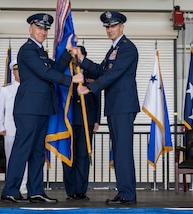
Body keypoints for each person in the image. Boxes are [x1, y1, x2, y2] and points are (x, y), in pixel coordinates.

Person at [0, 13, 83, 203]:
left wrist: (68, 52)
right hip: (28, 109)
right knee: (22, 149)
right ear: (30, 29)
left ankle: (35, 191)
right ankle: (10, 190)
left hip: (42, 108)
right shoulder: (27, 50)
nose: (43, 32)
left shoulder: (40, 52)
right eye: (39, 28)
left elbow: (54, 68)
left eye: (45, 29)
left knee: (38, 151)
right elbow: (45, 73)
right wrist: (72, 80)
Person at [77, 11, 140, 205]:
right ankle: (125, 192)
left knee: (122, 150)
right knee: (120, 150)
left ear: (122, 27)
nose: (110, 29)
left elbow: (113, 75)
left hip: (123, 105)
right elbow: (102, 71)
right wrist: (81, 59)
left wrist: (90, 88)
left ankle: (127, 194)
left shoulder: (127, 48)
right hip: (115, 106)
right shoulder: (114, 49)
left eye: (113, 26)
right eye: (107, 27)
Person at [63, 46, 101, 201]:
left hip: (87, 120)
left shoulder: (92, 73)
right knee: (69, 155)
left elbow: (97, 97)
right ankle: (70, 190)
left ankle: (81, 190)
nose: (77, 58)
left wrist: (97, 119)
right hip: (70, 120)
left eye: (80, 56)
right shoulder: (66, 74)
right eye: (74, 55)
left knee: (83, 156)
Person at [0, 60, 28, 195]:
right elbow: (0, 109)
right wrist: (1, 126)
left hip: (26, 129)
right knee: (11, 158)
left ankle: (23, 185)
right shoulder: (6, 89)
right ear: (13, 72)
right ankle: (12, 185)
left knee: (25, 158)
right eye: (16, 70)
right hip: (10, 129)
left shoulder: (29, 87)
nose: (19, 73)